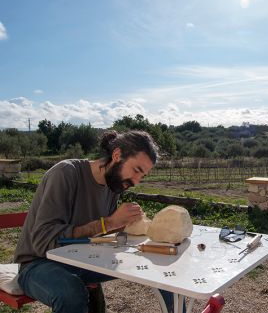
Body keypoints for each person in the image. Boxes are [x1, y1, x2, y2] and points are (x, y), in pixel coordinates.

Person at [14, 130, 181, 313]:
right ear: (117, 155)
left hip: (82, 259)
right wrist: (109, 222)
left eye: (142, 176)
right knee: (70, 292)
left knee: (158, 265)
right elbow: (43, 241)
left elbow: (103, 231)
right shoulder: (65, 173)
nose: (136, 181)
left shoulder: (112, 185)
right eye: (136, 170)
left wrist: (125, 225)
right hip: (38, 263)